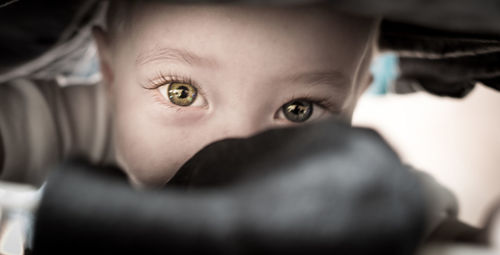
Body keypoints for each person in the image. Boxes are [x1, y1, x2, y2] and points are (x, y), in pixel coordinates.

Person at [0, 1, 379, 187]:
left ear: (356, 103)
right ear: (111, 73)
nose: (234, 157)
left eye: (299, 109)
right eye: (182, 93)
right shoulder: (67, 121)